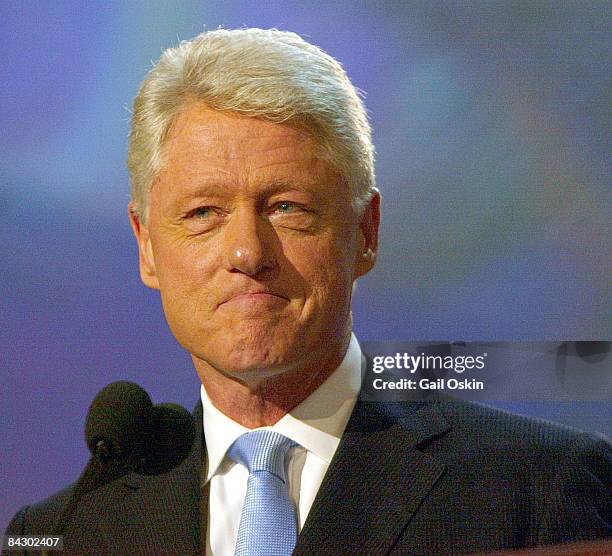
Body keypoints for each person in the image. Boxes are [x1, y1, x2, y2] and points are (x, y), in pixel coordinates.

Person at [5, 28, 611, 556]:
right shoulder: (67, 532)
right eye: (203, 214)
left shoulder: (538, 489)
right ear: (146, 246)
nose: (246, 252)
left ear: (365, 234)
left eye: (288, 207)